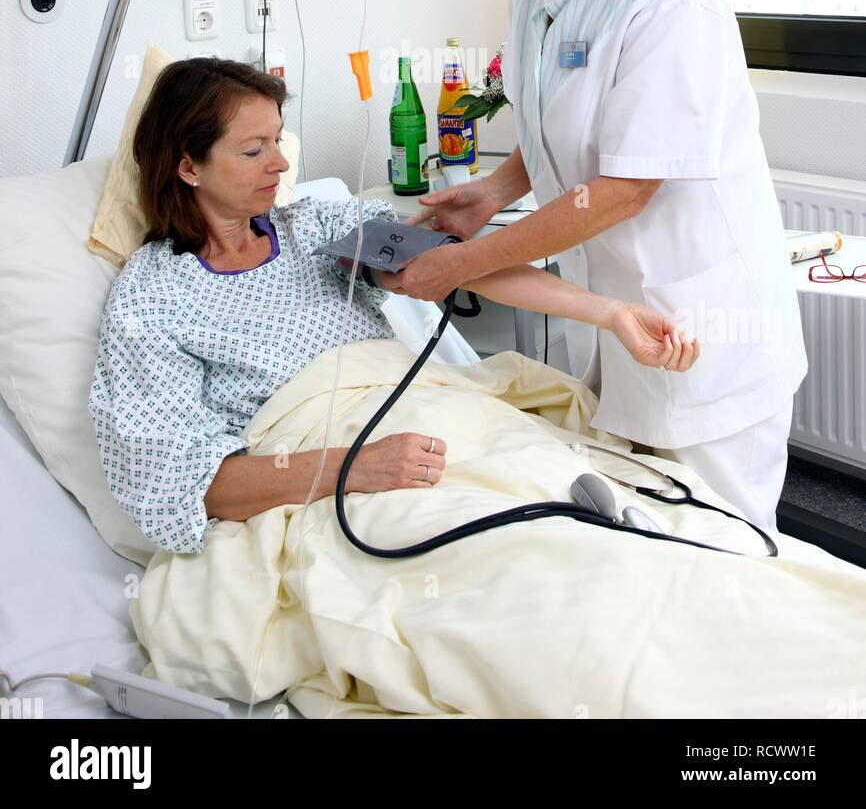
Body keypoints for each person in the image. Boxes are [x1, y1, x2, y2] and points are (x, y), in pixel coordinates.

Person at [377, 0, 807, 537]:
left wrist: (462, 265)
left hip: (699, 319)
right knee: (642, 542)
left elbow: (624, 186)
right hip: (617, 311)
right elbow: (559, 125)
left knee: (725, 548)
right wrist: (490, 190)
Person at [89, 57, 697, 553]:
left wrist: (611, 314)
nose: (281, 162)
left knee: (600, 511)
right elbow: (183, 487)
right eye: (254, 151)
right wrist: (353, 468)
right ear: (189, 166)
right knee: (511, 553)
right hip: (336, 476)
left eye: (278, 139)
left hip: (432, 418)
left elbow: (466, 268)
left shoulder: (318, 228)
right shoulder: (153, 298)